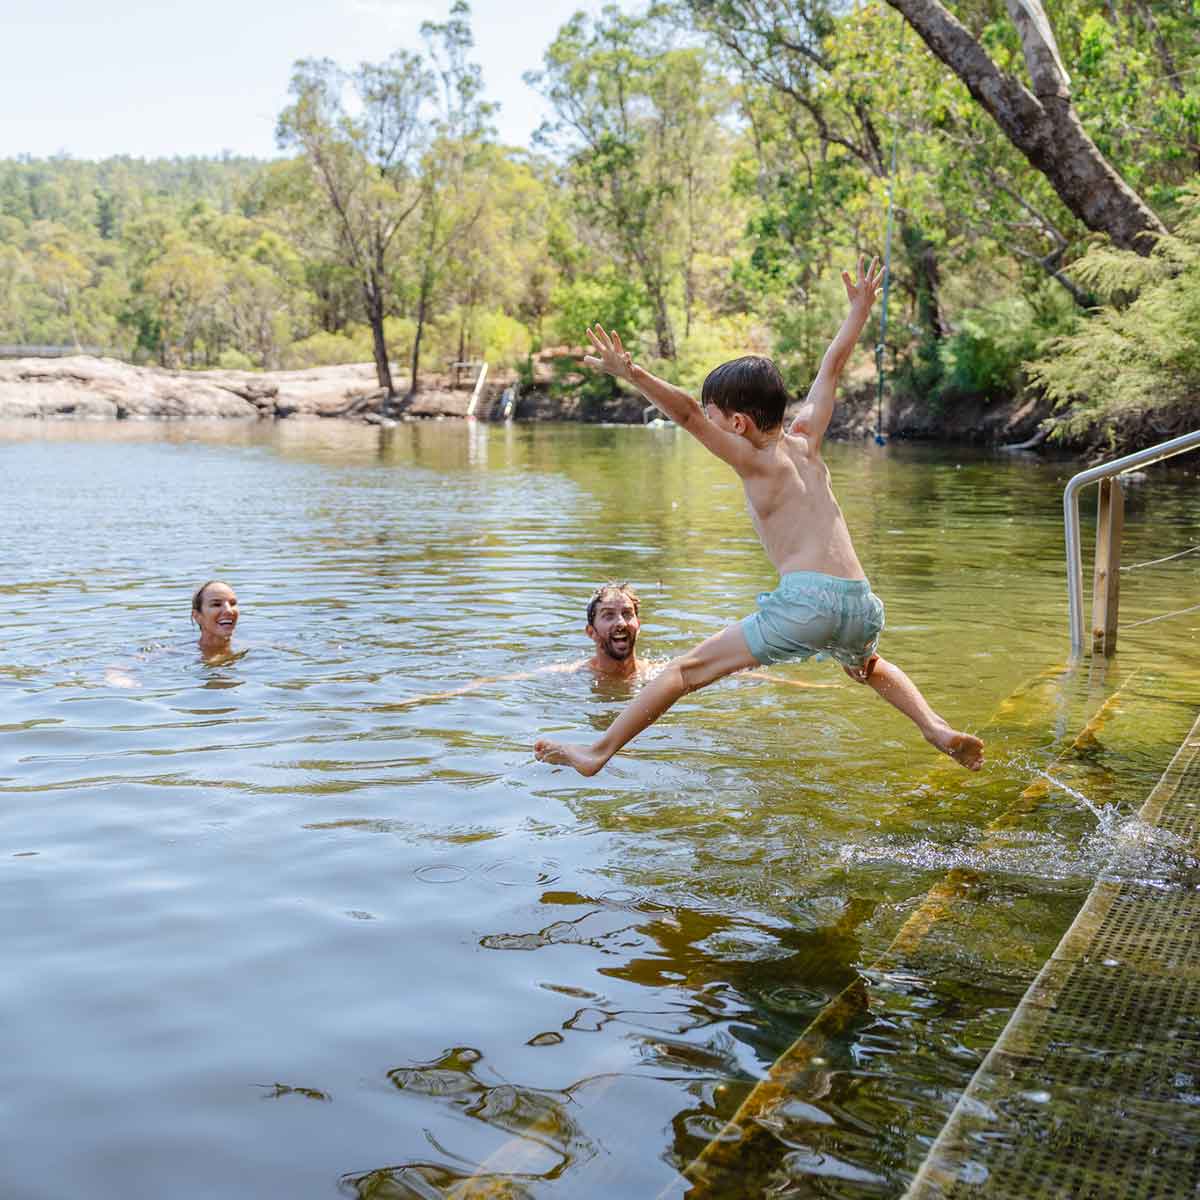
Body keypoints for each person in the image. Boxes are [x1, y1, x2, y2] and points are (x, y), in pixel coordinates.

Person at [534, 256, 984, 777]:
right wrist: (860, 309)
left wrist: (630, 371)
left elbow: (679, 411)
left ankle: (598, 751)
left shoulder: (752, 459)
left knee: (683, 671)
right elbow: (832, 365)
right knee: (867, 666)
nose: (708, 423)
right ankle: (934, 727)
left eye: (715, 418)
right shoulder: (806, 438)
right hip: (860, 603)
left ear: (740, 423)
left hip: (807, 602)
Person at [191, 579, 240, 660]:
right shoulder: (180, 654)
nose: (229, 610)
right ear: (197, 616)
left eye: (232, 603)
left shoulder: (253, 648)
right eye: (216, 604)